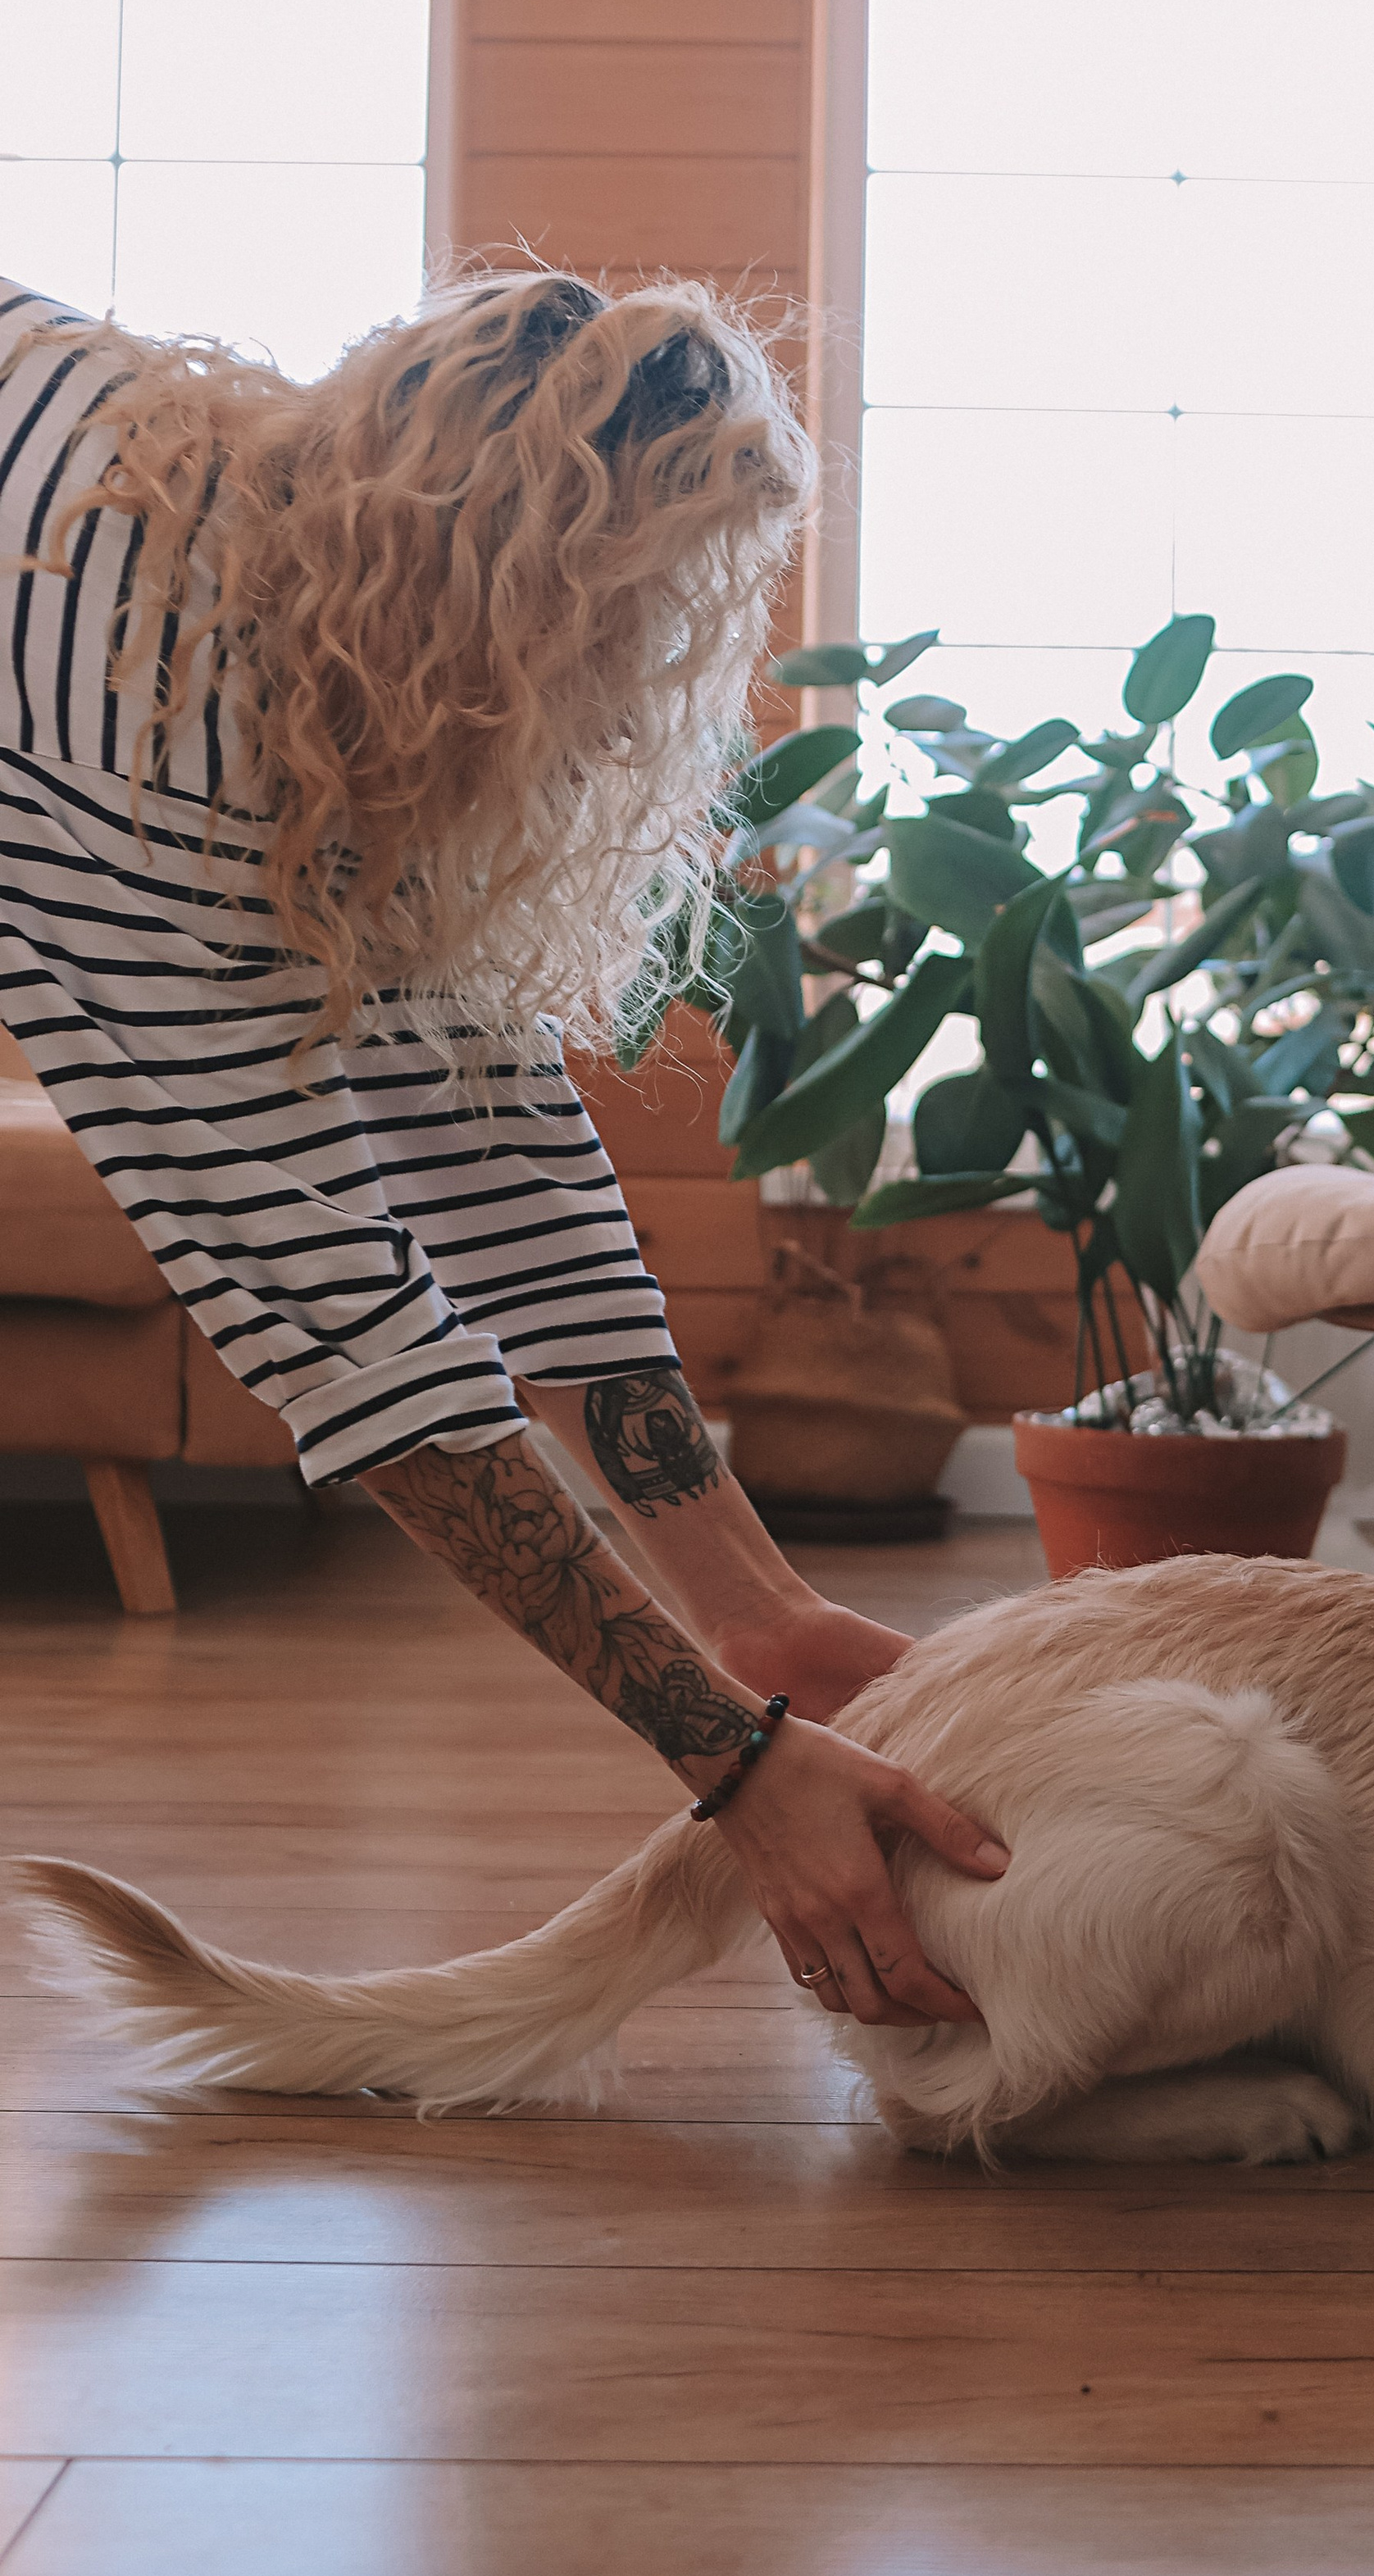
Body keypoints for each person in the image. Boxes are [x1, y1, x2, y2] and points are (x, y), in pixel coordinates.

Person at [0, 266, 1007, 2030]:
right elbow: (338, 1309)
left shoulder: (311, 612)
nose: (639, 695)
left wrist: (752, 1610)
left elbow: (491, 1141)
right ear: (506, 593)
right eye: (632, 624)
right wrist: (733, 1763)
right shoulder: (145, 719)